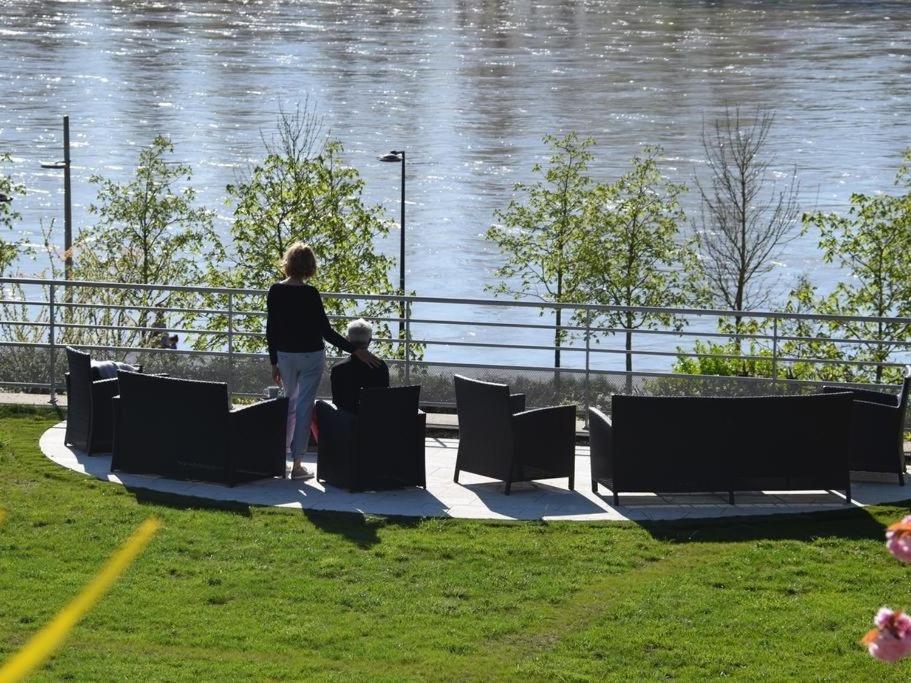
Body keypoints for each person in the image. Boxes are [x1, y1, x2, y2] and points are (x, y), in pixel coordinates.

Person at [267, 242, 380, 480]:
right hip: (311, 357)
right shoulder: (310, 293)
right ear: (310, 267)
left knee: (289, 404)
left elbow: (271, 330)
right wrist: (355, 350)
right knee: (304, 407)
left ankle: (278, 459)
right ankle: (297, 464)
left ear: (287, 263)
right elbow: (326, 332)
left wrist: (274, 361)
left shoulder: (275, 291)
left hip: (286, 356)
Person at [330, 318, 389, 414]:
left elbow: (337, 402)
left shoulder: (338, 369)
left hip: (347, 422)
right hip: (374, 420)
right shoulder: (380, 366)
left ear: (347, 339)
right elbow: (384, 398)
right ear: (370, 340)